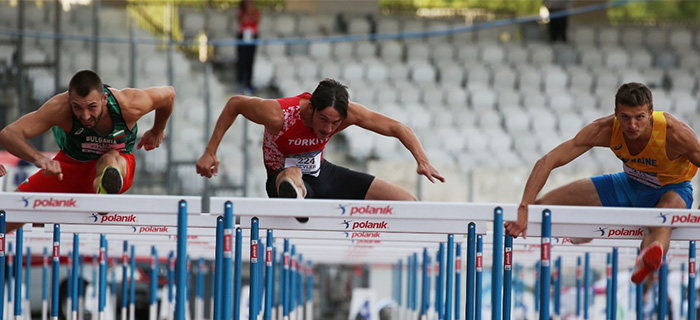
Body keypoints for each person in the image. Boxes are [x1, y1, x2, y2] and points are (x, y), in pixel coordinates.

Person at [505, 82, 700, 284]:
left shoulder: (674, 133)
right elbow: (548, 160)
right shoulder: (605, 129)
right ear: (616, 113)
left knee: (662, 221)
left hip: (671, 189)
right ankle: (585, 229)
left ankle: (647, 258)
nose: (632, 125)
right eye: (625, 117)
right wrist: (525, 206)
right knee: (542, 207)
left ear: (651, 113)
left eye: (639, 117)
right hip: (628, 184)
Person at [196, 78, 444, 201]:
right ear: (311, 108)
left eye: (336, 123)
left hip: (322, 173)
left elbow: (398, 128)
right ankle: (295, 197)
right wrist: (210, 151)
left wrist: (422, 160)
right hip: (281, 177)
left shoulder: (350, 115)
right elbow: (235, 104)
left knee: (408, 202)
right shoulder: (278, 115)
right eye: (323, 120)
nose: (328, 129)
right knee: (292, 175)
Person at [0, 69, 175, 196]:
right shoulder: (59, 107)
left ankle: (105, 191)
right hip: (68, 166)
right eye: (77, 107)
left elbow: (169, 95)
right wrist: (39, 159)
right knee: (11, 212)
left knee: (109, 158)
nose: (85, 115)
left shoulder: (129, 104)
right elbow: (9, 134)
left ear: (104, 99)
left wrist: (157, 130)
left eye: (92, 107)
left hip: (117, 163)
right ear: (70, 101)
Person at [236, 0, 260, 93]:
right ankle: (241, 82)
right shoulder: (241, 12)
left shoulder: (256, 12)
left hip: (252, 36)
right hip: (243, 36)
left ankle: (249, 83)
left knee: (250, 60)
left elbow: (257, 22)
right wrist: (247, 12)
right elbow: (242, 21)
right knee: (242, 60)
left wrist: (252, 12)